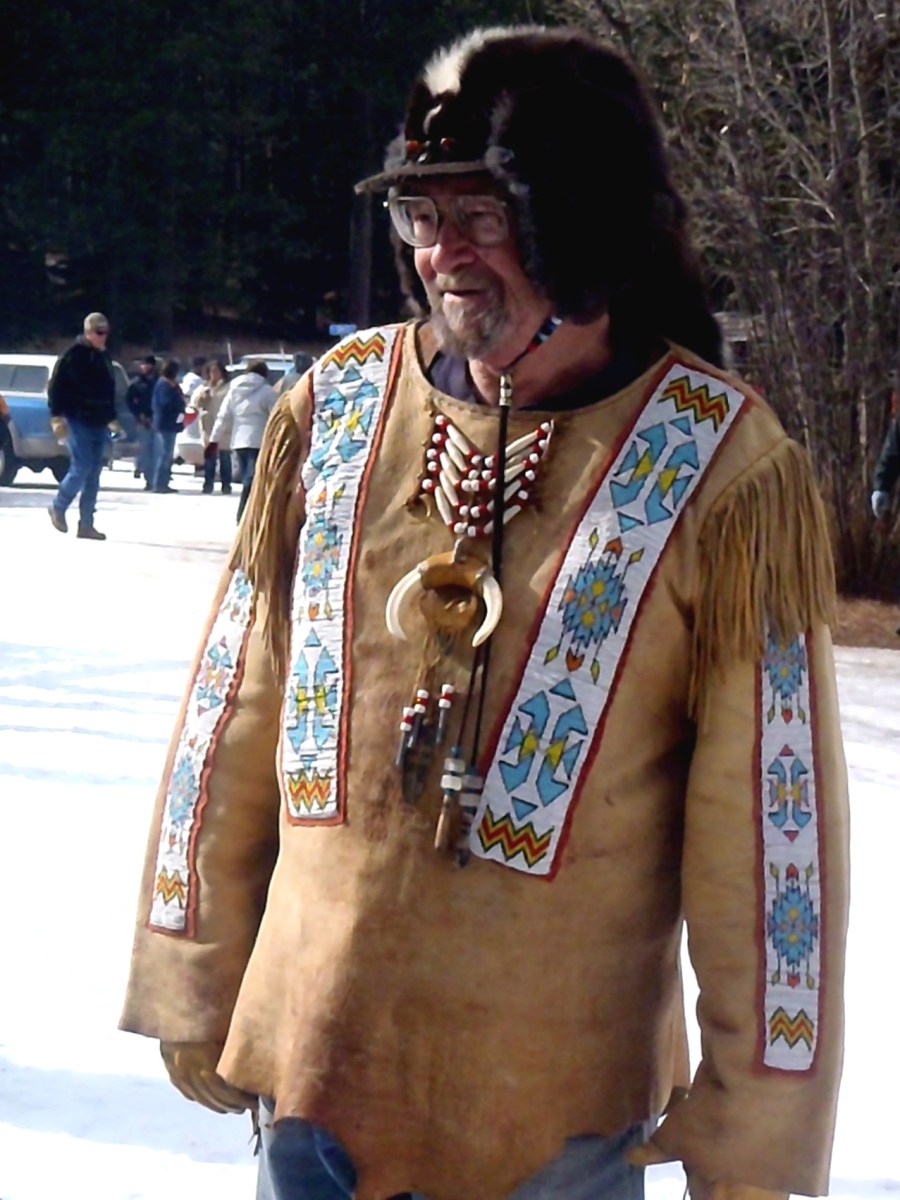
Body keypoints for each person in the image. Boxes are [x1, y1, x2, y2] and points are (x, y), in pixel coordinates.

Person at [121, 26, 849, 1200]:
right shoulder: (337, 410)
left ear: (588, 225)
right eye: (423, 216)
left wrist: (756, 1113)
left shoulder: (721, 467)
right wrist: (192, 961)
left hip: (553, 1119)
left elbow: (770, 837)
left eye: (488, 215)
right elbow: (233, 708)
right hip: (312, 1078)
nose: (445, 255)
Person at [47, 310, 116, 540]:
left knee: (94, 473)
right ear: (88, 332)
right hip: (78, 419)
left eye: (105, 332)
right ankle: (58, 506)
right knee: (82, 466)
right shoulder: (73, 356)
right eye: (99, 332)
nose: (103, 336)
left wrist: (111, 416)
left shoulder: (104, 358)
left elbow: (109, 389)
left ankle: (86, 524)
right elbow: (56, 387)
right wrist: (56, 417)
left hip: (99, 421)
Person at [206, 359, 276, 521]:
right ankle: (246, 513)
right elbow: (275, 416)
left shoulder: (234, 391)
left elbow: (223, 417)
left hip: (239, 441)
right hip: (259, 441)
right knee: (252, 478)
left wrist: (213, 440)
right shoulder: (267, 391)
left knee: (248, 476)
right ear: (264, 373)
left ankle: (246, 513)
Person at [193, 357, 233, 495]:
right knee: (209, 458)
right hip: (208, 427)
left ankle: (226, 485)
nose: (214, 374)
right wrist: (202, 398)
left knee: (225, 458)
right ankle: (208, 484)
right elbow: (194, 405)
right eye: (211, 371)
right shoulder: (204, 387)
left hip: (224, 428)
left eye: (216, 371)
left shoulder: (229, 388)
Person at [150, 358, 185, 493]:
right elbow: (166, 403)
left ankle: (164, 481)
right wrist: (179, 403)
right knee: (164, 454)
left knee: (167, 454)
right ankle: (159, 483)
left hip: (172, 424)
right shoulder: (164, 385)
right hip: (165, 424)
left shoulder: (172, 385)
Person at [126, 355, 159, 482]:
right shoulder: (136, 383)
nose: (144, 367)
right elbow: (129, 400)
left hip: (157, 420)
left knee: (157, 451)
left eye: (147, 364)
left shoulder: (159, 382)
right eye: (143, 364)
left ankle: (156, 478)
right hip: (143, 421)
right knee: (145, 450)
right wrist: (138, 414)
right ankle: (148, 479)